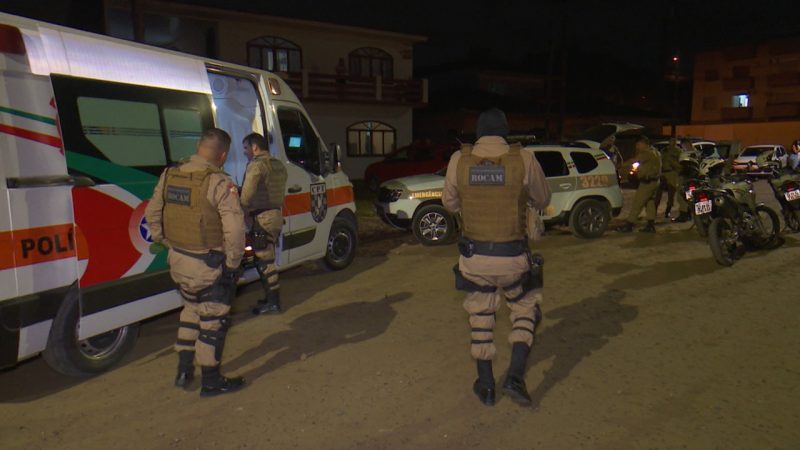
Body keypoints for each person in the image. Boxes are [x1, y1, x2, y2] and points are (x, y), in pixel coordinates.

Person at [442, 108, 552, 407]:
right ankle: (515, 376)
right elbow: (544, 199)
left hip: (474, 258)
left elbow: (450, 205)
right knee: (524, 309)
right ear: (505, 132)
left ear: (478, 133)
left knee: (481, 315)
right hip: (513, 257)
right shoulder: (524, 158)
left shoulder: (459, 160)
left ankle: (487, 386)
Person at [145, 128, 246, 397]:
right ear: (222, 155)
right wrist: (233, 265)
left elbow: (152, 212)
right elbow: (235, 231)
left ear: (199, 146)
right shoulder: (220, 183)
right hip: (207, 265)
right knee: (213, 322)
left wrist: (166, 242)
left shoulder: (170, 174)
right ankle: (211, 381)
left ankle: (183, 370)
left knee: (190, 309)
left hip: (178, 261)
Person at [240, 132, 288, 315]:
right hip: (275, 215)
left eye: (246, 148)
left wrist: (242, 213)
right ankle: (270, 297)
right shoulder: (278, 164)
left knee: (265, 263)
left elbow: (246, 197)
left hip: (261, 219)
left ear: (254, 147)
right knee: (266, 258)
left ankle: (274, 303)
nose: (245, 152)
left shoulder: (256, 165)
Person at [619, 135, 662, 233]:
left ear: (643, 143)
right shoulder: (656, 152)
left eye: (638, 145)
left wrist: (620, 165)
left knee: (637, 203)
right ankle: (651, 225)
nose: (637, 147)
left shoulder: (646, 153)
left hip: (647, 182)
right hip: (655, 182)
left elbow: (633, 161)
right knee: (650, 203)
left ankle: (629, 225)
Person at [654, 138, 682, 219]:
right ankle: (654, 211)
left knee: (671, 193)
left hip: (672, 173)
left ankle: (668, 211)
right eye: (670, 141)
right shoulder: (664, 150)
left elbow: (679, 162)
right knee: (658, 193)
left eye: (673, 141)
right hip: (663, 172)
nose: (671, 143)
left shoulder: (678, 151)